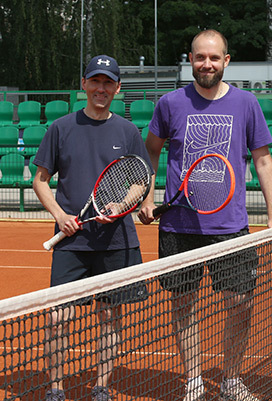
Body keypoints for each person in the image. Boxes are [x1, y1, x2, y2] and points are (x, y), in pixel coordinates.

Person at [137, 29, 272, 401]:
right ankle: (193, 380)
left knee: (240, 303)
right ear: (190, 60)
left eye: (214, 58)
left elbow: (263, 159)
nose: (207, 64)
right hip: (178, 223)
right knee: (183, 304)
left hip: (231, 226)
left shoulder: (247, 103)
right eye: (200, 57)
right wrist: (146, 196)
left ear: (226, 61)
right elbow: (151, 150)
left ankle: (232, 379)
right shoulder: (169, 104)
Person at [32, 55, 152, 401]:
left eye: (108, 82)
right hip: (72, 243)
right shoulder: (61, 128)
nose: (101, 88)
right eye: (95, 81)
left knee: (109, 319)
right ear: (84, 84)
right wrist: (58, 214)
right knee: (58, 320)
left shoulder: (128, 131)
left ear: (117, 88)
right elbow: (41, 181)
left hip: (116, 240)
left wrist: (121, 205)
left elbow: (139, 180)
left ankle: (101, 386)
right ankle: (56, 389)